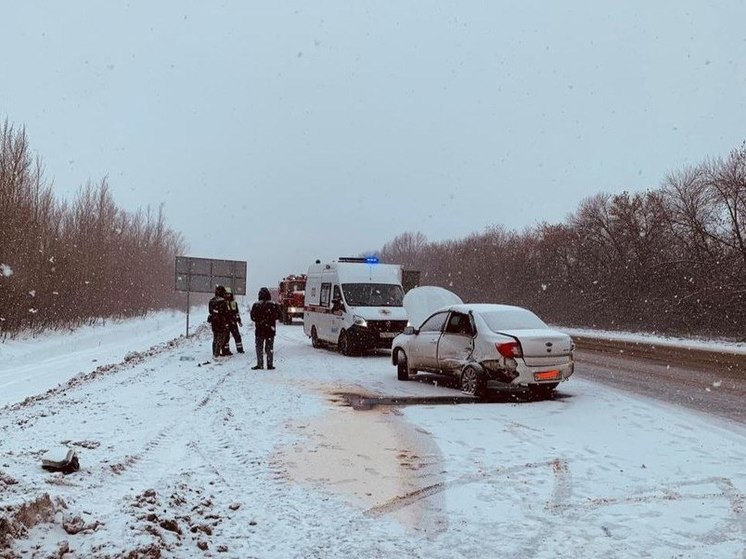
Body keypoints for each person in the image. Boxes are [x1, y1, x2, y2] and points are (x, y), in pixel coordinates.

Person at [250, 287, 282, 370]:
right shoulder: (273, 305)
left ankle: (260, 364)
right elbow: (279, 316)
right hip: (270, 330)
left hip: (259, 330)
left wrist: (260, 320)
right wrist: (270, 319)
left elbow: (253, 317)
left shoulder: (256, 305)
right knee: (269, 348)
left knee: (259, 347)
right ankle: (269, 364)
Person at [208, 285, 231, 358]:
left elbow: (210, 311)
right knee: (221, 337)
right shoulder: (223, 302)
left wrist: (215, 313)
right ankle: (216, 354)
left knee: (215, 337)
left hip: (214, 321)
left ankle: (214, 352)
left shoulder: (211, 301)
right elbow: (225, 312)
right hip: (221, 321)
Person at [223, 287, 244, 355]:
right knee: (226, 337)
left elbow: (236, 312)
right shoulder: (222, 303)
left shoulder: (234, 303)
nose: (228, 296)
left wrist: (239, 320)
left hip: (233, 322)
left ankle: (240, 349)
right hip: (225, 322)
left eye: (229, 294)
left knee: (237, 336)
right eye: (226, 294)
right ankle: (226, 350)